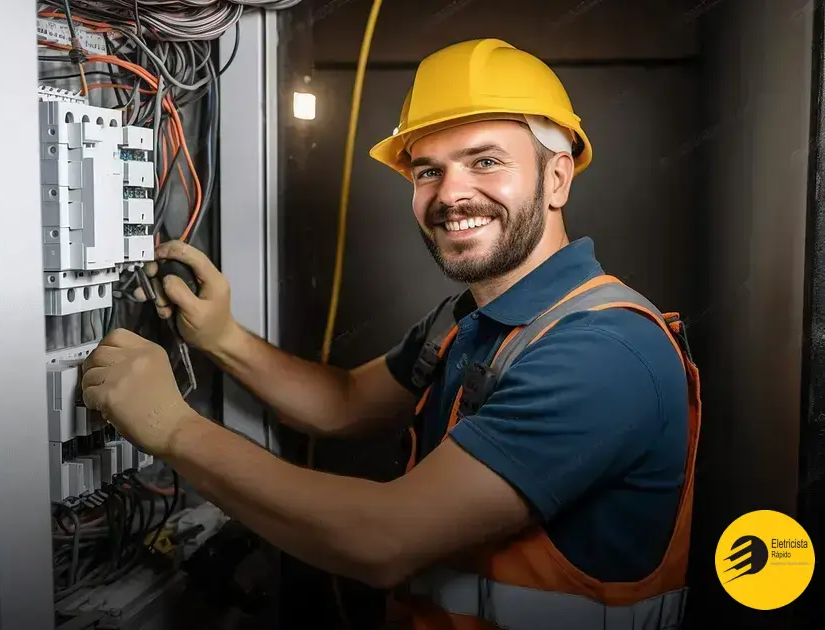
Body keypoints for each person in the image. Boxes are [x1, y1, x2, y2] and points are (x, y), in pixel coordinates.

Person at [81, 38, 701, 629]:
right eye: (428, 171)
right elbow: (342, 404)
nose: (451, 194)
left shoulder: (602, 353)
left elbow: (384, 540)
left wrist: (171, 426)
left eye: (485, 161)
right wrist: (222, 337)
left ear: (558, 178)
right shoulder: (465, 322)